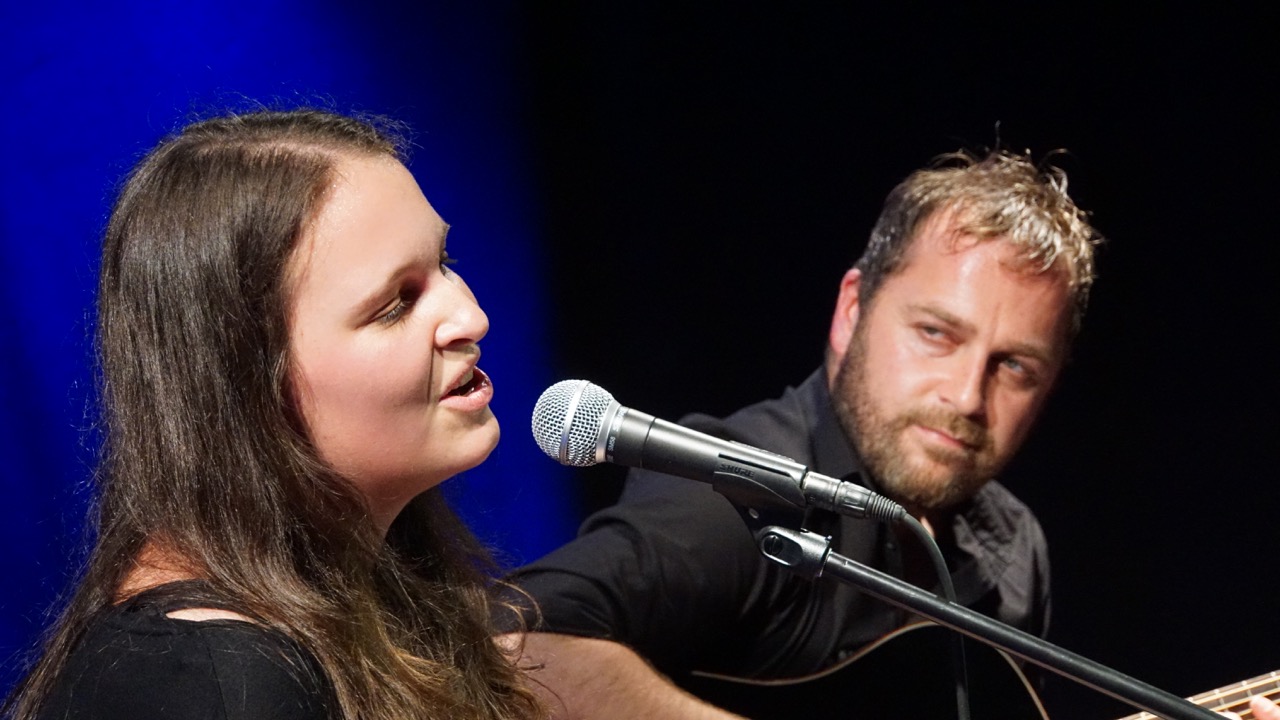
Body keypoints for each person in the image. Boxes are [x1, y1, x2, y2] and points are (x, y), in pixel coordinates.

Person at [507, 150, 1101, 718]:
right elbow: (510, 642)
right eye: (936, 333)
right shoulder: (739, 498)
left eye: (1015, 367)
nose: (968, 396)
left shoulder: (1014, 547)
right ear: (852, 310)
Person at [2, 109, 545, 720]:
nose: (472, 318)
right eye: (396, 304)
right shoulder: (207, 684)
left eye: (444, 261)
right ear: (249, 379)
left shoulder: (362, 585)